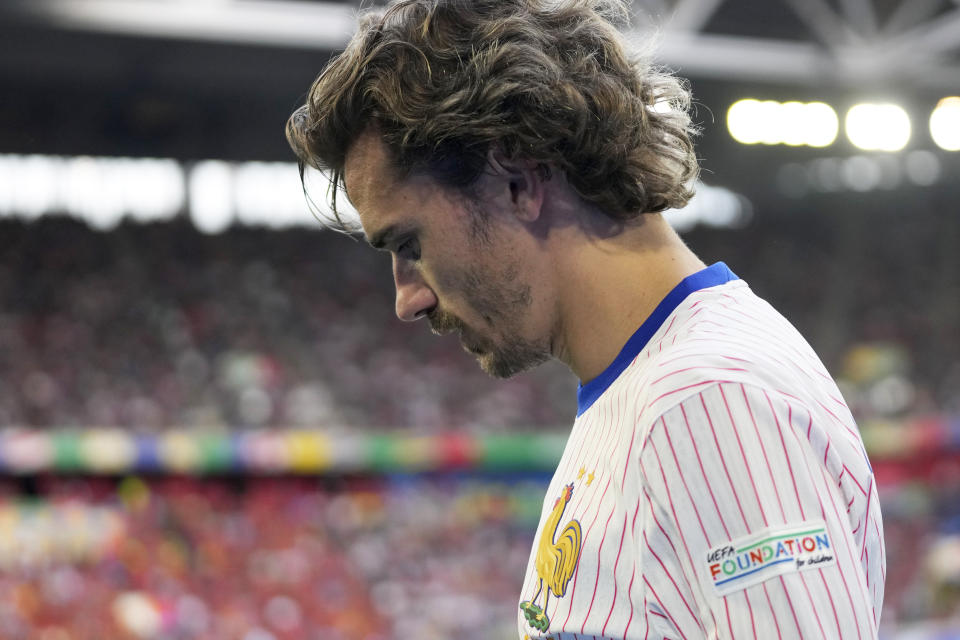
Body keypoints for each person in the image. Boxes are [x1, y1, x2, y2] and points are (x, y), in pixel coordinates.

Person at [285, 0, 885, 637]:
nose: (408, 298)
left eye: (410, 246)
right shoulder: (645, 390)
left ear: (517, 180)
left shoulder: (707, 398)